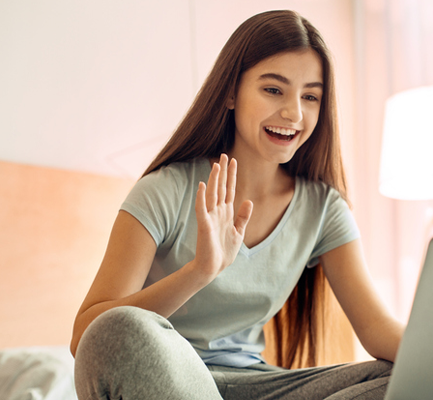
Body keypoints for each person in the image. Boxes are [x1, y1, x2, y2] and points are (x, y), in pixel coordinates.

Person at [71, 9, 404, 400]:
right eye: (273, 90)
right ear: (231, 92)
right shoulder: (165, 190)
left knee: (397, 379)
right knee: (122, 328)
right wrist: (200, 271)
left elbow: (377, 328)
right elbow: (87, 336)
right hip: (168, 381)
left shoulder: (323, 209)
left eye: (310, 96)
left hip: (258, 385)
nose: (294, 112)